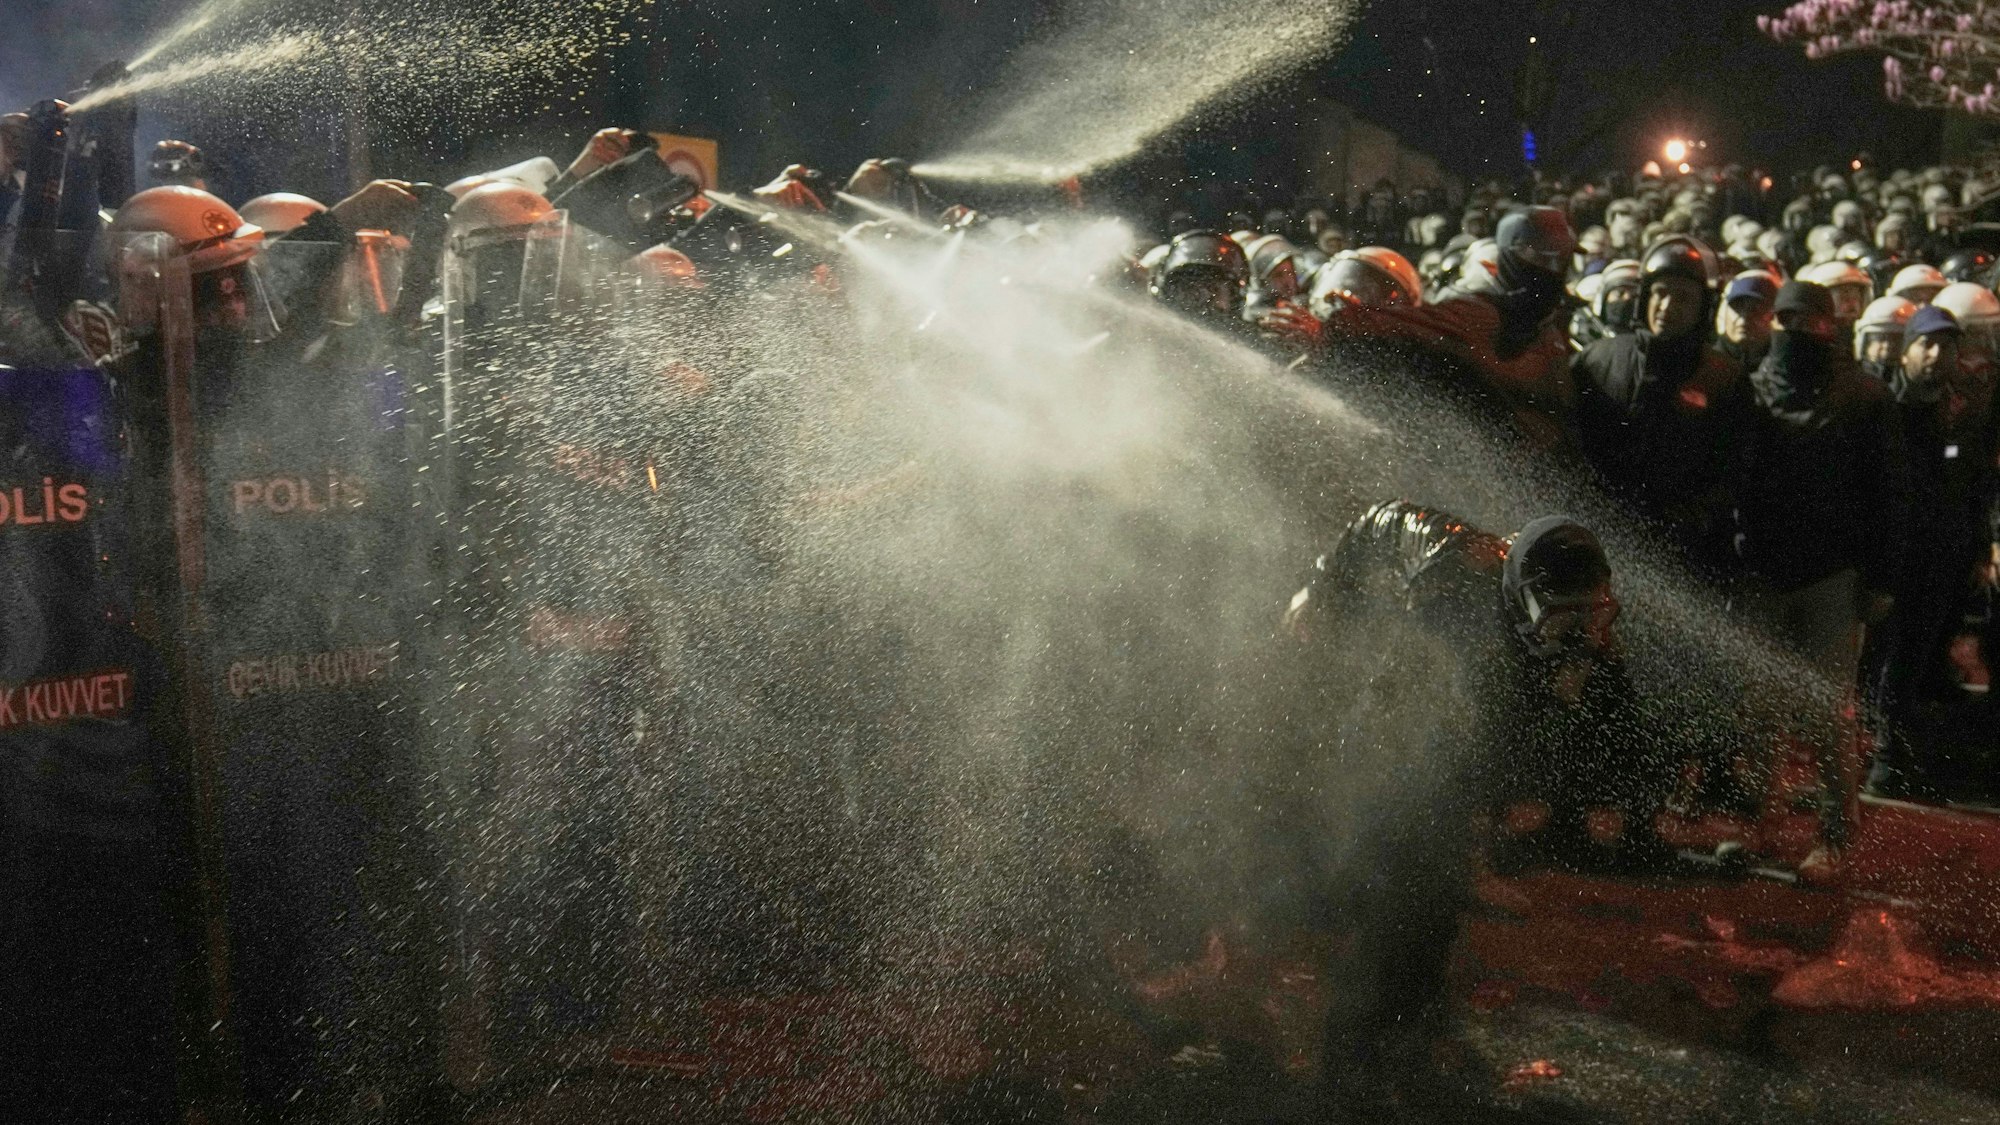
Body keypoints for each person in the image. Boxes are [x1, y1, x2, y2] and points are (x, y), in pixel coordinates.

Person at [1282, 499, 1650, 1120]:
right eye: (1570, 621)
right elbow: (1385, 521)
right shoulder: (1454, 597)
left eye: (1598, 614)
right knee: (1401, 891)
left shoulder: (1570, 625)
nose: (1589, 631)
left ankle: (1407, 1032)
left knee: (1433, 893)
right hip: (1397, 733)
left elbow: (1600, 726)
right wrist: (1323, 584)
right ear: (1531, 604)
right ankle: (1347, 1074)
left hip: (1448, 739)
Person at [1738, 280, 1907, 684]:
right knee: (1763, 708)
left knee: (1827, 711)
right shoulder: (1749, 391)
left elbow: (1889, 492)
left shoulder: (1865, 397)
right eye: (1787, 319)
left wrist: (1883, 579)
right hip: (1762, 572)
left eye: (1810, 321)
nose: (1798, 329)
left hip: (1833, 577)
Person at [1865, 305, 1999, 797]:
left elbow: (1977, 482)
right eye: (1928, 344)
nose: (1938, 354)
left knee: (1916, 661)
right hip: (1893, 557)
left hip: (1941, 557)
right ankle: (1881, 758)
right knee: (1887, 661)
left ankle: (1897, 757)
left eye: (1947, 345)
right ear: (1908, 348)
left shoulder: (1961, 407)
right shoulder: (1883, 403)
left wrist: (1978, 548)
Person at [1570, 237, 1748, 576]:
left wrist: (1689, 518)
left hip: (1684, 554)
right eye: (1660, 293)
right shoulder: (1598, 360)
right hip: (1599, 543)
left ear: (1703, 309)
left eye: (1683, 297)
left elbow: (1735, 465)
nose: (1667, 307)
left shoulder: (1723, 377)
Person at [1714, 269, 1778, 371]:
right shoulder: (1702, 366)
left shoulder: (1782, 372)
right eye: (1737, 307)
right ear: (1723, 311)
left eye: (1756, 308)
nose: (1745, 316)